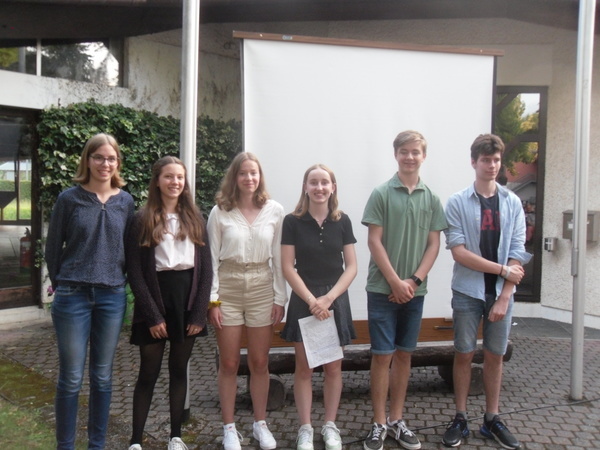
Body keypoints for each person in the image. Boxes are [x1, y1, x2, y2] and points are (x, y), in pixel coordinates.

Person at [45, 133, 135, 449]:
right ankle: (65, 446)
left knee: (102, 377)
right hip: (73, 296)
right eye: (99, 157)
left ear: (117, 163)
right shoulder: (68, 199)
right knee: (71, 378)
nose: (105, 163)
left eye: (111, 158)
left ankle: (97, 445)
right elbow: (53, 247)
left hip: (111, 297)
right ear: (88, 160)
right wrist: (61, 282)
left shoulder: (126, 202)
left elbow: (130, 249)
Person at [442, 134, 531, 449]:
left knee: (495, 356)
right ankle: (461, 417)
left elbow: (518, 250)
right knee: (464, 354)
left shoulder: (512, 202)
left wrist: (505, 292)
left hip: (501, 294)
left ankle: (491, 419)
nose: (491, 165)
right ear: (474, 162)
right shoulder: (457, 202)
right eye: (485, 160)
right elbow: (459, 252)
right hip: (467, 291)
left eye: (496, 160)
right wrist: (503, 270)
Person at [361, 130, 447, 450]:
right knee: (382, 357)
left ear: (423, 156)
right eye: (404, 152)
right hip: (382, 290)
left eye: (415, 152)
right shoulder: (382, 193)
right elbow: (374, 241)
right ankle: (379, 423)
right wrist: (396, 282)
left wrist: (413, 281)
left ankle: (397, 420)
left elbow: (434, 244)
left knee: (404, 355)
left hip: (414, 293)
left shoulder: (432, 199)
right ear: (395, 154)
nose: (410, 157)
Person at [125, 156, 212, 450]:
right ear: (157, 181)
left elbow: (207, 269)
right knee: (148, 372)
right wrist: (151, 315)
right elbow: (135, 271)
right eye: (169, 177)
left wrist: (200, 313)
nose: (175, 182)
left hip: (187, 299)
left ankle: (176, 436)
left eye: (180, 177)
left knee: (179, 369)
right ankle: (136, 440)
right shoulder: (142, 218)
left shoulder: (196, 218)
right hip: (155, 297)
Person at [207, 152, 287, 450]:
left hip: (261, 287)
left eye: (254, 173)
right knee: (228, 362)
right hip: (227, 286)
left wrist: (280, 297)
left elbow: (279, 257)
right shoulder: (220, 211)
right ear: (235, 177)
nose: (249, 178)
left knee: (259, 361)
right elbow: (211, 258)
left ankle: (259, 423)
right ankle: (229, 428)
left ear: (260, 177)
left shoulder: (274, 210)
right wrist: (212, 301)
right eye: (243, 173)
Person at [280, 164, 358, 450]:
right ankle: (305, 428)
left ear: (333, 187)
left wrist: (328, 299)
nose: (319, 187)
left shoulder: (343, 220)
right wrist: (313, 300)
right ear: (306, 187)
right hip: (304, 300)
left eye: (324, 182)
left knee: (333, 369)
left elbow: (351, 267)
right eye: (313, 182)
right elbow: (288, 267)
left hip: (335, 299)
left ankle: (330, 425)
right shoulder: (292, 221)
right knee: (304, 369)